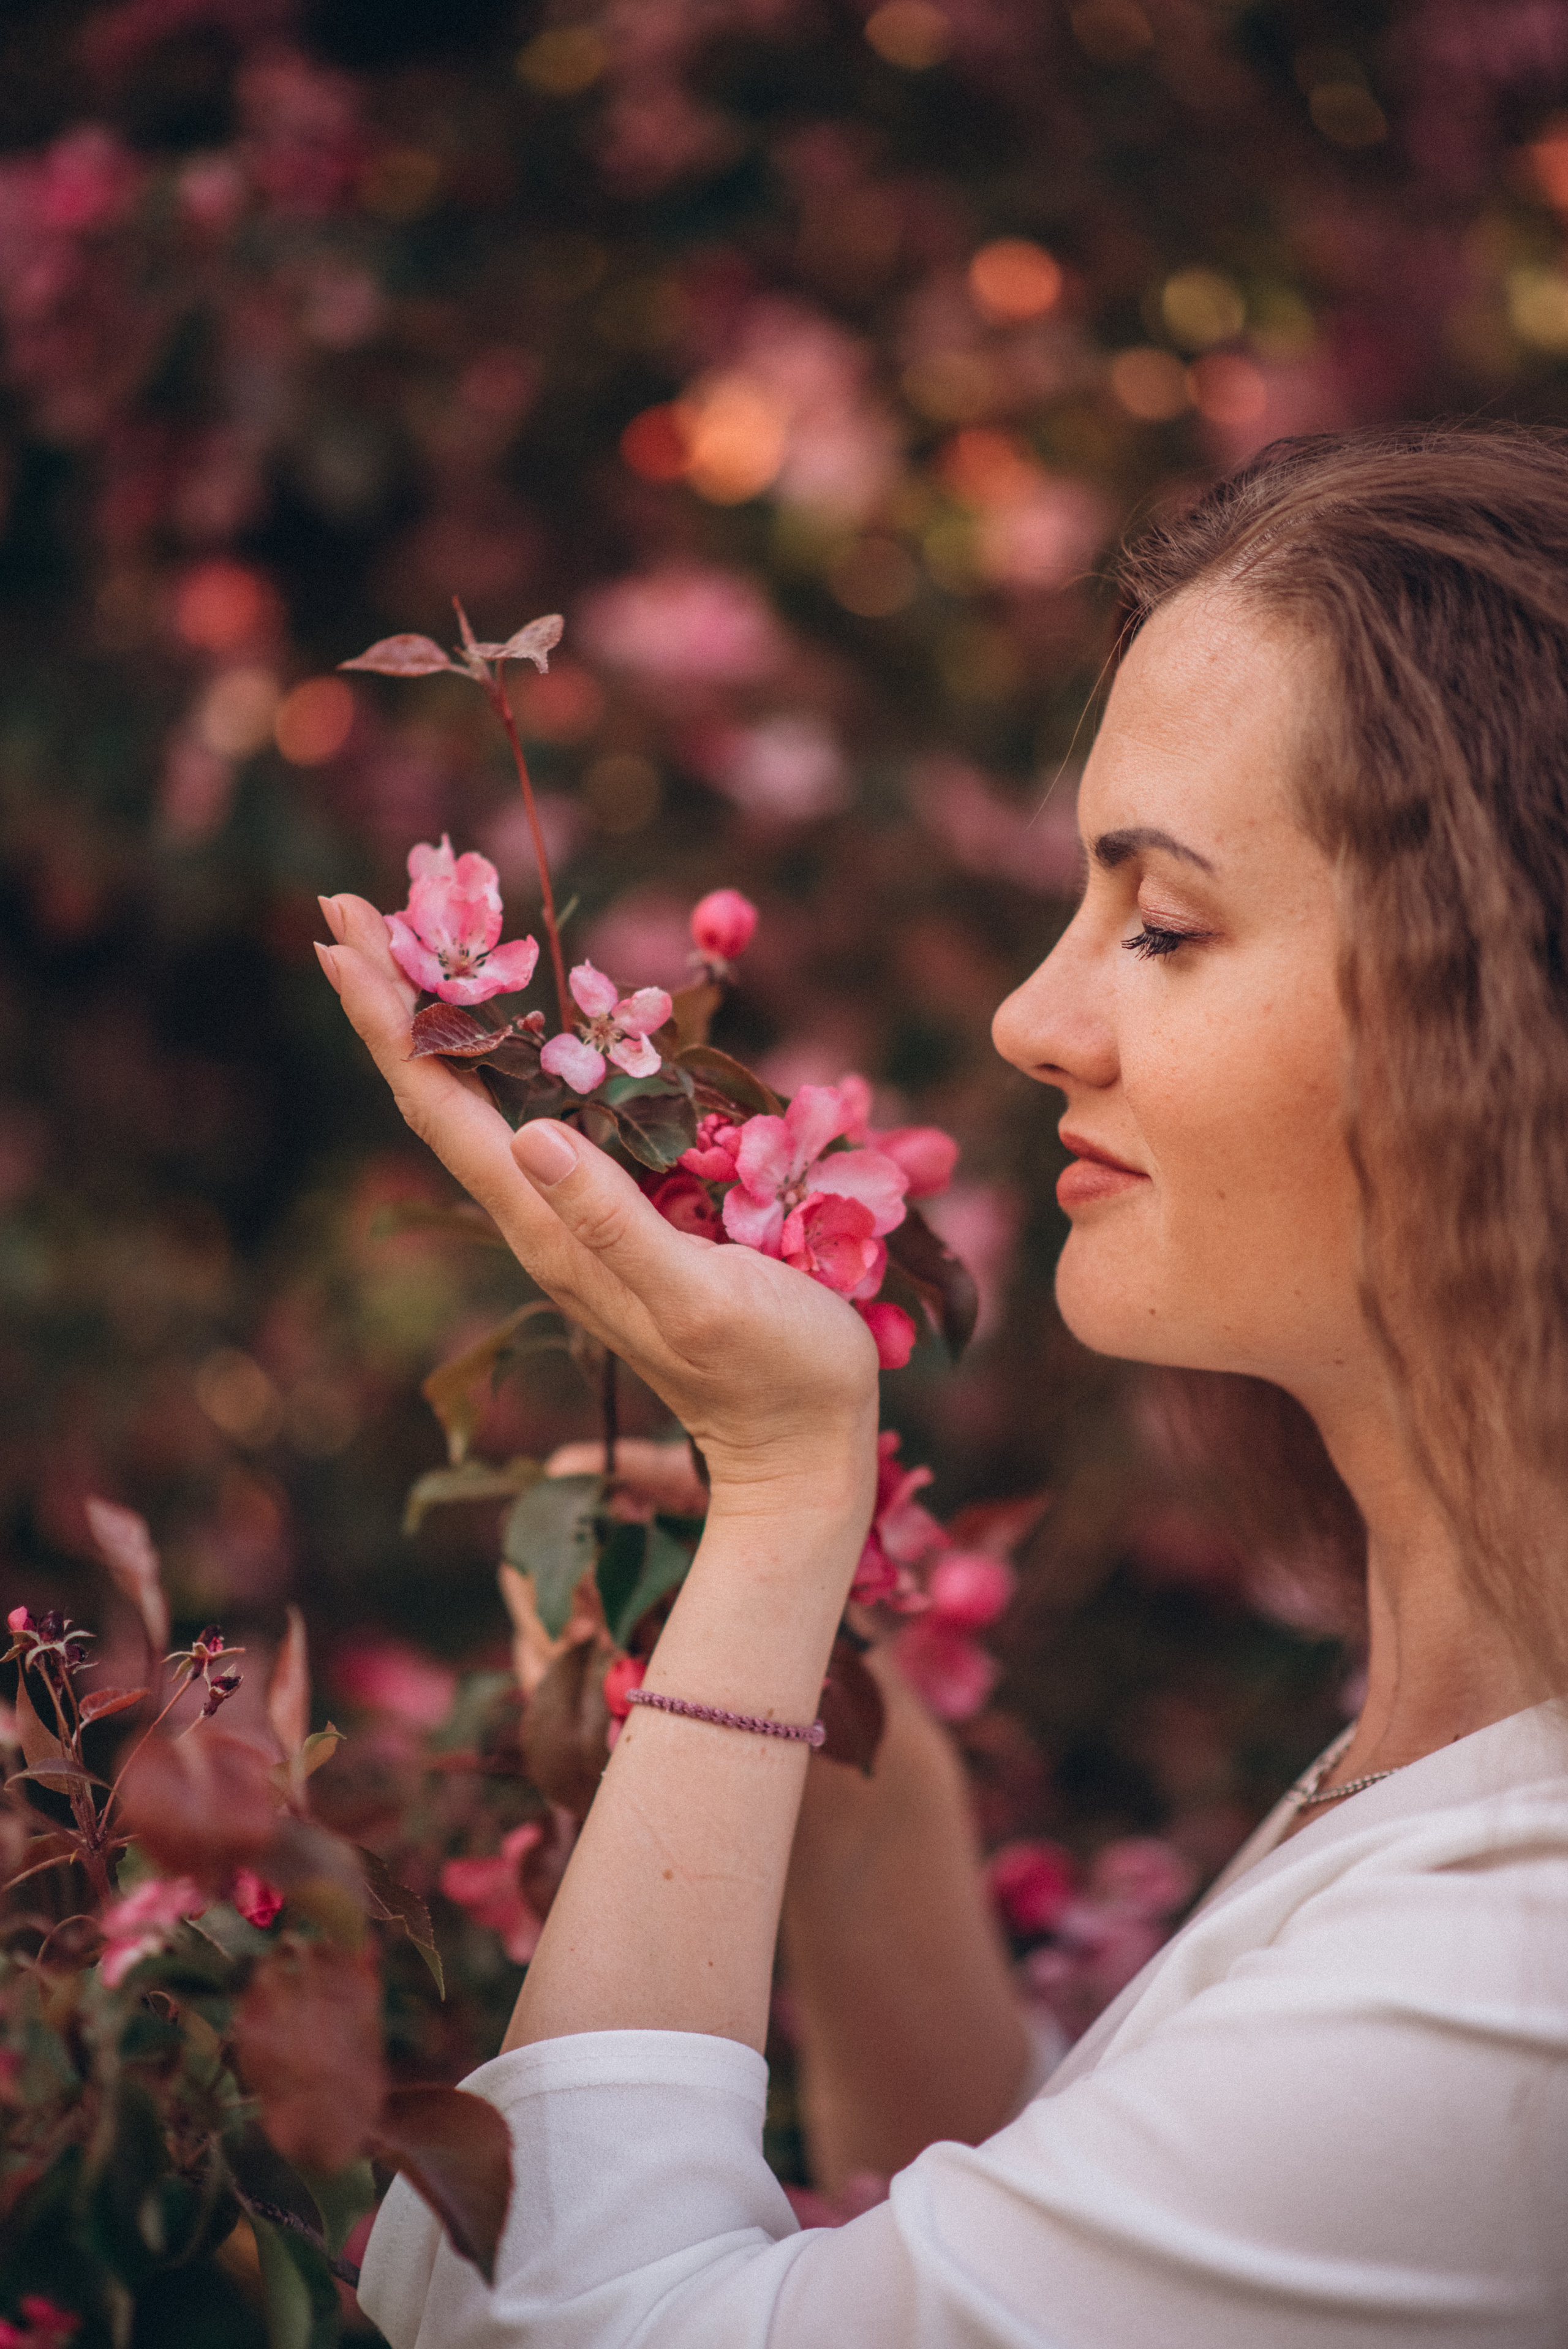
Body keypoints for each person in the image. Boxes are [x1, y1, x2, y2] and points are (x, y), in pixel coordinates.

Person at [317, 426, 1568, 2346]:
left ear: (1504, 1016)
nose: (1032, 1018)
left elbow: (567, 2323)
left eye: (1163, 924)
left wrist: (777, 1503)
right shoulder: (1447, 1754)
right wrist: (861, 1798)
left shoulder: (1509, 1978)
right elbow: (1050, 2253)